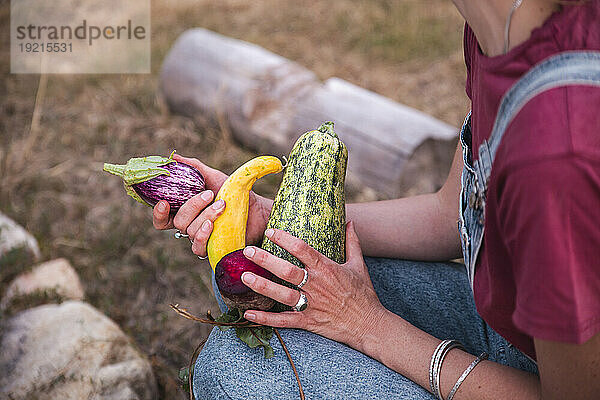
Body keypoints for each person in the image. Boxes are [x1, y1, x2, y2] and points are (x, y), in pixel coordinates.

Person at [153, 0, 600, 398]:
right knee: (255, 275)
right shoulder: (505, 28)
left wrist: (367, 325)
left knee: (234, 373)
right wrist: (275, 219)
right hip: (522, 329)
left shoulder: (557, 149)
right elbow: (450, 215)